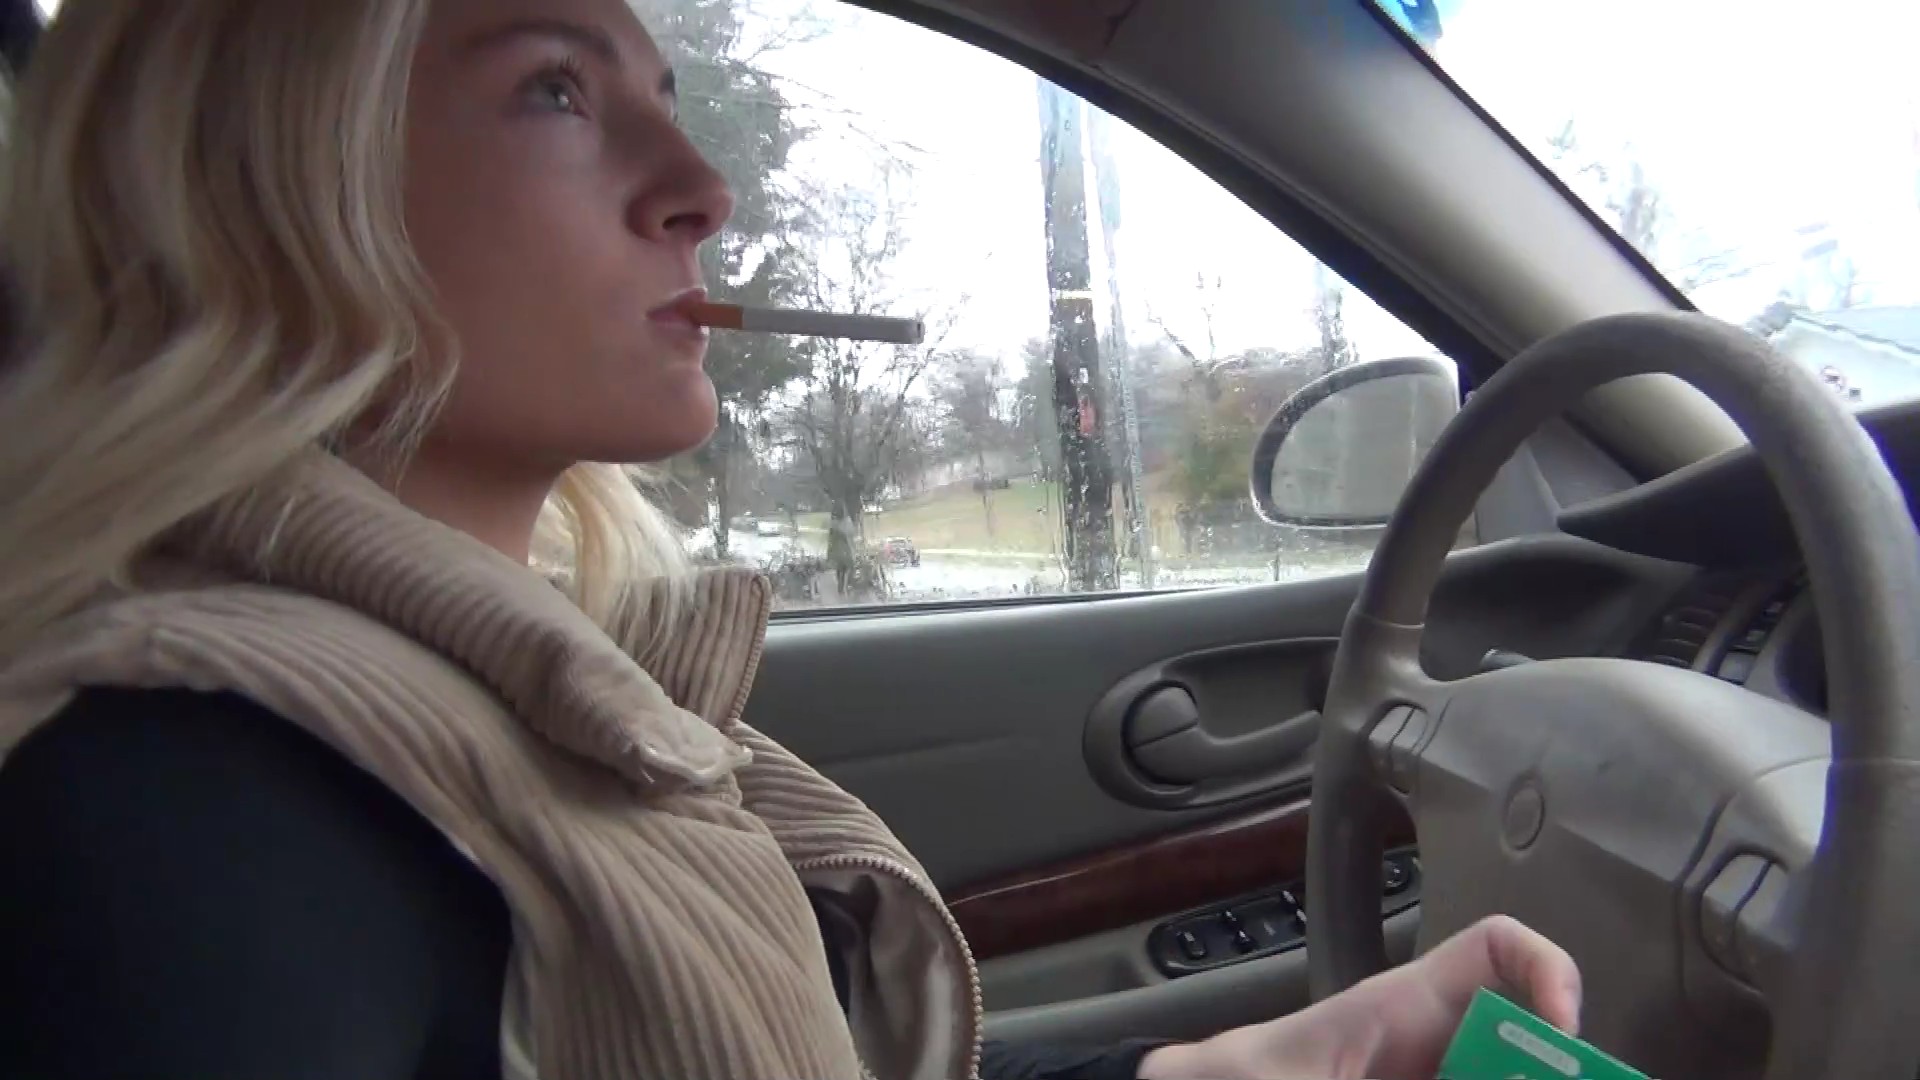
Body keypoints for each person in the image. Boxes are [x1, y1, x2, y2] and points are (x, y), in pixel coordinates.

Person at [0, 1, 1582, 1078]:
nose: (703, 190)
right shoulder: (175, 806)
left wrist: (1241, 1061)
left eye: (665, 99)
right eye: (555, 88)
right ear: (263, 179)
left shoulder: (530, 697)